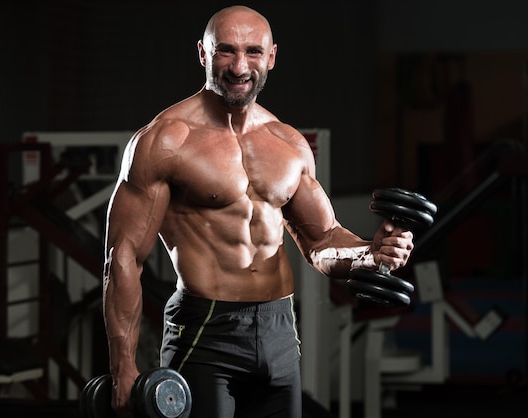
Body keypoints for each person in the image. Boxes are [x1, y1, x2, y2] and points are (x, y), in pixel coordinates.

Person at [103, 5, 413, 418]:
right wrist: (123, 369)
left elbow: (321, 241)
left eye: (252, 52)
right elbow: (123, 258)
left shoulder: (288, 143)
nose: (239, 66)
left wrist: (370, 255)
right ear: (203, 53)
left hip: (279, 329)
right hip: (205, 328)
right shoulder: (165, 141)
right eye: (226, 51)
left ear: (271, 57)